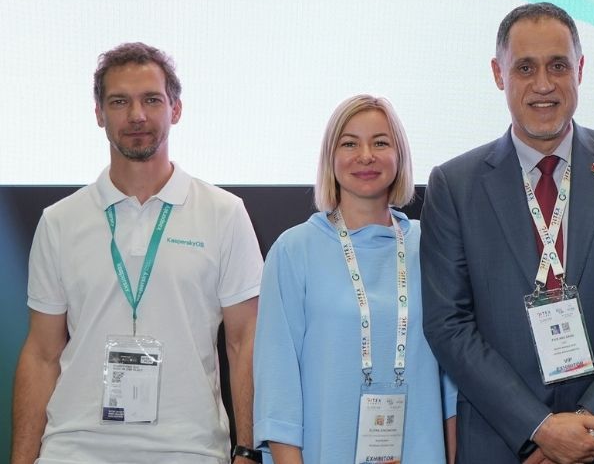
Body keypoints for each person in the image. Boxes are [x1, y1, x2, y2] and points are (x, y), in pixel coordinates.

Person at [421, 2, 594, 464]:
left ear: (580, 69)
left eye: (558, 65)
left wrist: (589, 423)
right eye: (525, 68)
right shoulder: (454, 185)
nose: (543, 84)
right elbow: (448, 323)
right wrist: (537, 428)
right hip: (506, 445)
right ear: (498, 74)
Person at [13, 42, 262, 464]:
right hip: (74, 449)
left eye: (151, 100)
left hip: (189, 450)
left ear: (175, 109)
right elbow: (41, 354)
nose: (137, 115)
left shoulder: (224, 213)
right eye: (119, 102)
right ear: (99, 114)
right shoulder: (60, 221)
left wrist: (248, 449)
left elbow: (244, 342)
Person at [254, 94, 457, 463]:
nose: (365, 156)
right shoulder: (294, 250)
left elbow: (452, 384)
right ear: (330, 157)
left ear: (400, 155)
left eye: (380, 143)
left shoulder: (430, 245)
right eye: (349, 143)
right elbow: (277, 388)